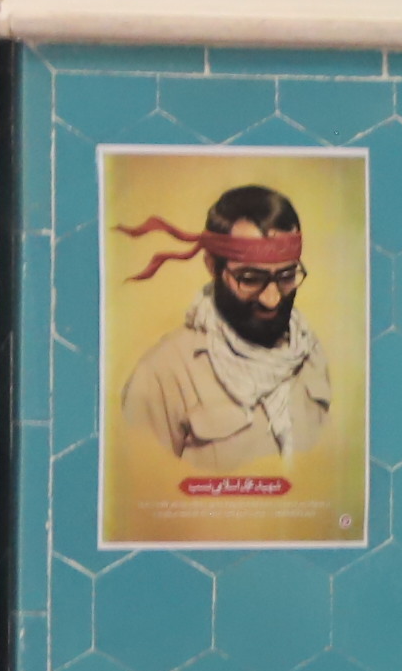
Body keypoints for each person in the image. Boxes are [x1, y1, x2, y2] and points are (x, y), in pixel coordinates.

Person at [118, 183, 331, 469]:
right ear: (212, 266)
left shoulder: (310, 353)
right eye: (250, 279)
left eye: (286, 277)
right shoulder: (162, 375)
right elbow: (143, 487)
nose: (272, 299)